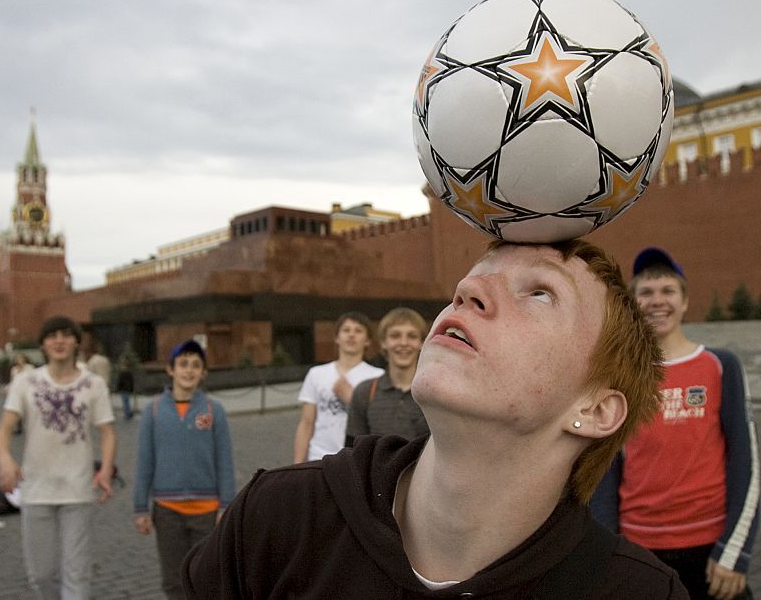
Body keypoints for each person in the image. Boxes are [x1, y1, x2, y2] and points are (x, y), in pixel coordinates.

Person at [183, 240, 689, 599]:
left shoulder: (635, 591)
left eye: (539, 293)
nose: (468, 288)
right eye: (478, 271)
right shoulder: (278, 520)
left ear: (596, 408)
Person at [591, 247, 760, 600]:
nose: (657, 301)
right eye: (646, 293)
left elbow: (746, 462)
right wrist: (608, 552)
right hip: (641, 548)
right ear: (633, 303)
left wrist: (734, 552)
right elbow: (605, 471)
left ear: (684, 302)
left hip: (711, 550)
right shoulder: (620, 378)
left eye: (668, 291)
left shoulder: (719, 365)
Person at [0, 315, 116, 599]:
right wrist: (4, 459)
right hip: (36, 491)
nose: (59, 340)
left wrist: (106, 468)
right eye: (52, 336)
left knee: (77, 574)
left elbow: (108, 432)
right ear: (43, 345)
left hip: (77, 490)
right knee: (41, 574)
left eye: (66, 335)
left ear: (76, 342)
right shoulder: (26, 381)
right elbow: (3, 431)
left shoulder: (94, 384)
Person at [133, 339, 236, 600]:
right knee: (174, 579)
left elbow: (224, 461)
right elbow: (145, 461)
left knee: (208, 576)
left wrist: (226, 506)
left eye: (195, 365)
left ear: (203, 373)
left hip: (207, 511)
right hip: (167, 512)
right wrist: (140, 507)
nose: (189, 370)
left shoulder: (215, 410)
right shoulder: (153, 411)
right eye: (183, 364)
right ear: (170, 370)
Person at [293, 312, 383, 463]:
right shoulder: (316, 374)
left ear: (367, 341)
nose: (351, 335)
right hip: (318, 457)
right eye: (346, 330)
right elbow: (306, 422)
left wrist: (352, 399)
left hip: (357, 460)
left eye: (358, 331)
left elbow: (379, 424)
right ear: (337, 338)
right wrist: (297, 463)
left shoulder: (378, 376)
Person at [345, 307, 429, 446]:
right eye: (395, 335)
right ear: (383, 342)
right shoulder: (365, 393)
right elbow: (352, 453)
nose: (403, 343)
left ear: (421, 343)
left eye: (412, 336)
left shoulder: (434, 394)